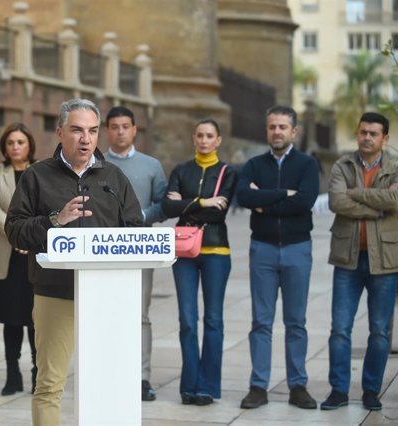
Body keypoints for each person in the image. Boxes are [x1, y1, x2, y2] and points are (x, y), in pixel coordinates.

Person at [5, 98, 143, 425]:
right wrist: (55, 219)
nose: (86, 139)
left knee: (107, 384)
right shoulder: (37, 176)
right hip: (55, 292)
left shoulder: (114, 178)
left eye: (93, 131)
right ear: (60, 132)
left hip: (106, 295)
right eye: (77, 130)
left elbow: (136, 230)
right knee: (50, 383)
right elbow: (15, 230)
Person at [236, 105, 319, 410]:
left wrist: (266, 199)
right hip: (263, 250)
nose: (277, 132)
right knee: (261, 322)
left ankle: (298, 385)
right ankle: (259, 386)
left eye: (283, 127)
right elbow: (244, 197)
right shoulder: (254, 164)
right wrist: (285, 194)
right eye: (272, 127)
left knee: (296, 322)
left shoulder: (308, 165)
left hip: (298, 249)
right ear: (267, 130)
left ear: (293, 131)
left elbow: (306, 201)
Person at [320, 112, 398, 411]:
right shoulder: (342, 164)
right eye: (363, 132)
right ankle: (338, 390)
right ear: (357, 134)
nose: (367, 137)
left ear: (384, 138)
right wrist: (379, 205)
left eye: (373, 133)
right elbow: (337, 201)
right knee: (340, 328)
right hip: (348, 259)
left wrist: (359, 194)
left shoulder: (395, 166)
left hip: (386, 261)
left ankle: (370, 391)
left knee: (379, 331)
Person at [162, 118, 237, 405]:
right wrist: (204, 202)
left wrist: (186, 203)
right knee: (187, 321)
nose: (204, 140)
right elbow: (168, 206)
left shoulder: (227, 172)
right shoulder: (181, 169)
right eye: (200, 135)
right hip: (185, 254)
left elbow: (221, 213)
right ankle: (189, 386)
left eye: (210, 136)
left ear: (218, 140)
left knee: (214, 320)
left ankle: (207, 386)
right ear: (194, 138)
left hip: (217, 252)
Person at [103, 106, 167, 401]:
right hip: (102, 250)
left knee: (139, 315)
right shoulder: (96, 163)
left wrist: (141, 215)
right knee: (104, 313)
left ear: (134, 130)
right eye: (114, 127)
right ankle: (109, 372)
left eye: (125, 126)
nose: (120, 132)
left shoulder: (152, 165)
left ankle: (142, 377)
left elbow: (163, 204)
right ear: (107, 130)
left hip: (139, 248)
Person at [0, 123, 37, 396]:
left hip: (34, 256)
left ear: (29, 145)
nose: (16, 147)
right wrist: (18, 234)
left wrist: (29, 237)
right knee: (11, 319)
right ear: (5, 147)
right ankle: (12, 375)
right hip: (7, 254)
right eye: (11, 143)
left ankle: (37, 373)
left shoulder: (41, 171)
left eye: (21, 142)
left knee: (36, 319)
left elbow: (46, 207)